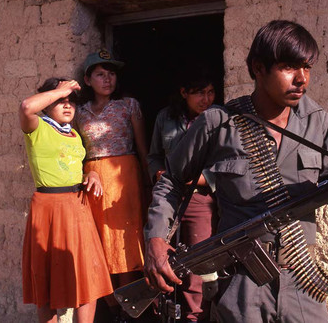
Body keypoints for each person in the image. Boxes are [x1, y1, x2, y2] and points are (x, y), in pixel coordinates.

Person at [143, 20, 328, 322]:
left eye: (307, 67)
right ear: (259, 68)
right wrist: (155, 239)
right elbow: (172, 182)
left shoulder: (316, 121)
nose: (301, 79)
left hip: (302, 279)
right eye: (289, 67)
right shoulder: (219, 123)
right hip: (241, 287)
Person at [20, 78, 113, 323]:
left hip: (78, 206)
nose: (67, 104)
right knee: (47, 283)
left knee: (88, 276)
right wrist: (61, 90)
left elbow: (72, 168)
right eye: (60, 101)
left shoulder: (73, 134)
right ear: (48, 102)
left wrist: (89, 174)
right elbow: (26, 106)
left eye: (71, 101)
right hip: (49, 209)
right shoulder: (37, 128)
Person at [74, 49, 151, 320]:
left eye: (112, 74)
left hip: (124, 179)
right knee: (99, 245)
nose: (107, 80)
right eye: (100, 74)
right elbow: (75, 150)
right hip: (93, 181)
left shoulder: (129, 105)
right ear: (87, 79)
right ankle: (111, 308)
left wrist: (148, 183)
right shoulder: (78, 112)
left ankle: (131, 309)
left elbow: (143, 150)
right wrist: (85, 173)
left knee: (126, 242)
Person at [147, 65, 218, 322]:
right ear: (184, 93)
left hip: (200, 199)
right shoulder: (165, 118)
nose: (206, 99)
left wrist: (199, 179)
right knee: (164, 256)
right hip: (167, 198)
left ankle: (195, 316)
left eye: (210, 92)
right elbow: (154, 155)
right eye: (199, 93)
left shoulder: (217, 120)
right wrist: (158, 174)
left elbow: (225, 164)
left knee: (197, 261)